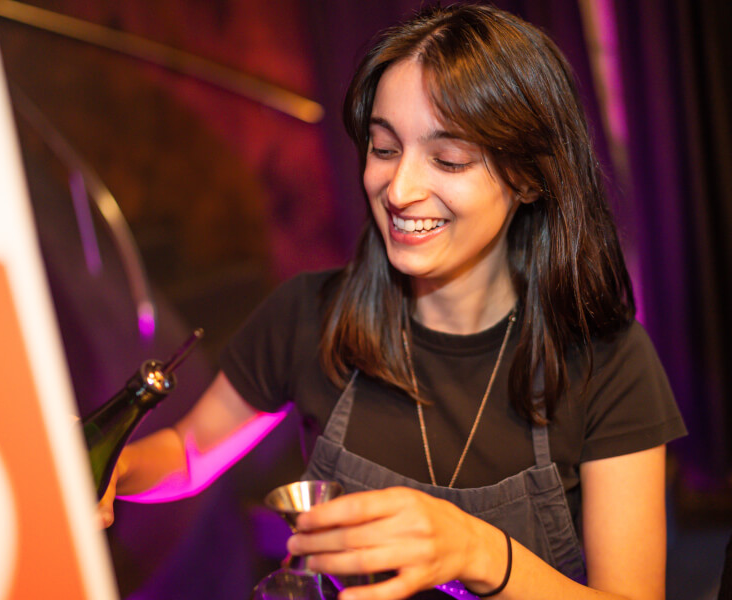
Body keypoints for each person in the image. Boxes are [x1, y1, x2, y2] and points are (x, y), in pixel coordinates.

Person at [99, 4, 686, 599]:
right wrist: (112, 469)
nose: (400, 190)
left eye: (448, 159)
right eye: (384, 149)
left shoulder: (608, 361)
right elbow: (193, 450)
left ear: (529, 178)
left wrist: (476, 550)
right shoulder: (311, 313)